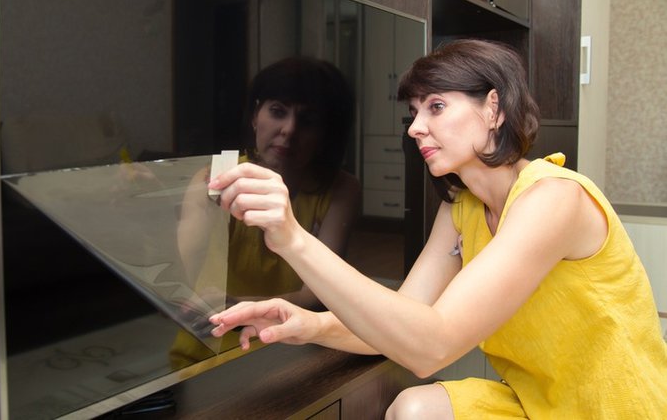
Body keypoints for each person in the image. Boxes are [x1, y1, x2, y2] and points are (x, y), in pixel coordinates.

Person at [208, 39, 667, 418]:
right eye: (414, 111)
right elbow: (405, 318)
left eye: (436, 106)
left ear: (494, 108)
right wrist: (307, 324)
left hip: (614, 408)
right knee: (414, 409)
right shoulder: (461, 208)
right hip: (535, 405)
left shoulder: (554, 199)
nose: (415, 128)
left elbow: (432, 346)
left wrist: (292, 238)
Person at [171, 56, 360, 365]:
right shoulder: (219, 175)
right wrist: (206, 203)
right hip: (210, 339)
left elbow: (314, 295)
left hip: (287, 341)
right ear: (256, 115)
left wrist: (236, 306)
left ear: (326, 133)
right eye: (277, 111)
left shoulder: (340, 190)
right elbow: (184, 270)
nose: (289, 129)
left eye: (308, 120)